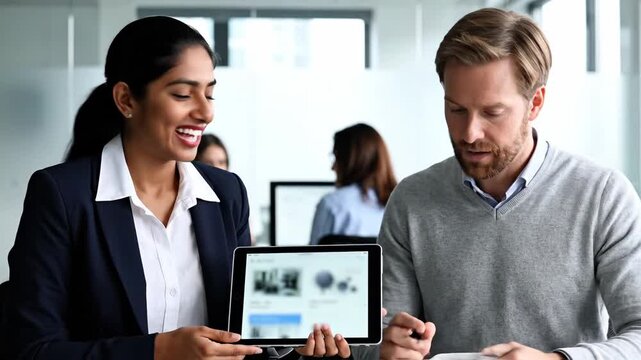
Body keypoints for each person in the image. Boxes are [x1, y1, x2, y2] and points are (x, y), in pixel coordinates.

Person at [3, 16, 350, 360]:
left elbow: (242, 336)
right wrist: (158, 350)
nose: (205, 113)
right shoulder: (62, 195)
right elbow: (33, 349)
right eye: (183, 94)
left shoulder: (226, 194)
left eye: (210, 94)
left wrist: (292, 343)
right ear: (126, 99)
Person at [353, 7, 641, 360]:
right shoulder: (411, 201)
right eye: (456, 110)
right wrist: (385, 349)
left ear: (535, 103)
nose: (470, 133)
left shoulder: (603, 196)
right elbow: (379, 338)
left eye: (492, 112)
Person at [309, 123, 397, 245]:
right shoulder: (402, 203)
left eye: (336, 157)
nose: (333, 167)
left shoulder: (332, 204)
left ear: (350, 161)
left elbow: (311, 260)